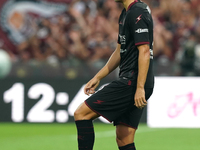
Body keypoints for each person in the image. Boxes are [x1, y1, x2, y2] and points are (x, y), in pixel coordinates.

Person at [74, 0, 154, 149]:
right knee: (124, 138)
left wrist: (139, 87)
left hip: (132, 82)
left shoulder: (137, 12)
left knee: (81, 114)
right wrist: (98, 77)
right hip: (134, 81)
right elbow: (119, 51)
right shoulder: (126, 13)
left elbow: (144, 50)